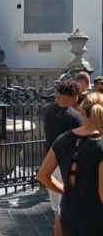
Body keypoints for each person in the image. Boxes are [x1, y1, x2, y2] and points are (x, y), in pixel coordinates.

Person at [38, 92, 103, 236]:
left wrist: (65, 190)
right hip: (95, 217)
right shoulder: (100, 145)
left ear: (81, 110)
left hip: (69, 212)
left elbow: (42, 175)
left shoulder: (63, 139)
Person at [42, 81, 82, 236]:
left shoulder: (48, 110)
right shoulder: (75, 117)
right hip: (65, 166)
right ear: (73, 97)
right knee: (63, 209)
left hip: (49, 163)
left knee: (57, 208)